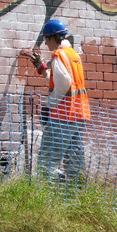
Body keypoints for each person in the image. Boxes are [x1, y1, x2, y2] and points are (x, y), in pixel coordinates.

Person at [28, 19, 90, 183]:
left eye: (46, 40)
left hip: (63, 116)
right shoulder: (73, 55)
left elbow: (64, 83)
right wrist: (42, 68)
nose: (46, 44)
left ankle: (53, 191)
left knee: (47, 162)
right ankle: (75, 193)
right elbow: (61, 79)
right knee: (74, 161)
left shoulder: (58, 55)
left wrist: (49, 106)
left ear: (51, 38)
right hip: (78, 115)